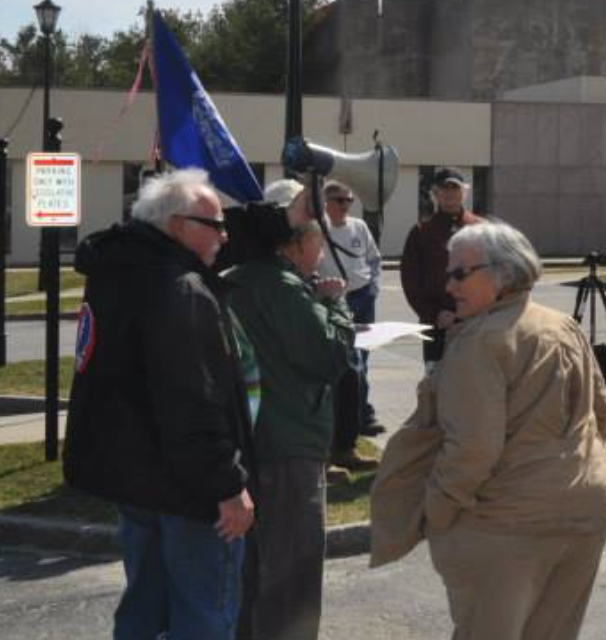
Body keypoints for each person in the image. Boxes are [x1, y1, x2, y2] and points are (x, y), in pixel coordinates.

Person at [371, 220, 606, 640]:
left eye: (459, 273)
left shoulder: (478, 342)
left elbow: (472, 450)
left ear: (503, 274)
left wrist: (437, 511)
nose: (449, 285)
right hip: (584, 516)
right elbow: (600, 417)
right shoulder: (561, 325)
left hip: (507, 526)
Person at [64, 169, 256, 640]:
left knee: (143, 610)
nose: (224, 236)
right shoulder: (180, 288)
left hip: (136, 481)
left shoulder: (117, 273)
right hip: (188, 491)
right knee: (204, 615)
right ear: (175, 226)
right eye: (214, 225)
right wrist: (228, 485)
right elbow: (192, 400)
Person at [226, 200, 356, 640]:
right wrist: (336, 305)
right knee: (293, 568)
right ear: (295, 245)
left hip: (250, 439)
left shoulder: (235, 280)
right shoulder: (282, 286)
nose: (322, 253)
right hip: (289, 440)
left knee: (253, 568)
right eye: (319, 242)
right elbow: (329, 355)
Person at [317, 180, 385, 455]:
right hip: (333, 301)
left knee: (362, 361)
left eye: (349, 200)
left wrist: (373, 288)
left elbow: (373, 259)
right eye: (339, 200)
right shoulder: (318, 228)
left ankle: (361, 415)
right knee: (344, 362)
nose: (345, 205)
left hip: (362, 297)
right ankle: (344, 423)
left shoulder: (359, 226)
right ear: (325, 202)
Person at [401, 168, 484, 365]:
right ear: (435, 194)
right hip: (437, 322)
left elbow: (492, 274)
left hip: (475, 320)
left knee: (475, 376)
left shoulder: (481, 228)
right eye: (444, 188)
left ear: (464, 193)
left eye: (455, 188)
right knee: (435, 377)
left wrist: (479, 310)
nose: (449, 193)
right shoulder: (421, 230)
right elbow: (411, 280)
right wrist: (433, 313)